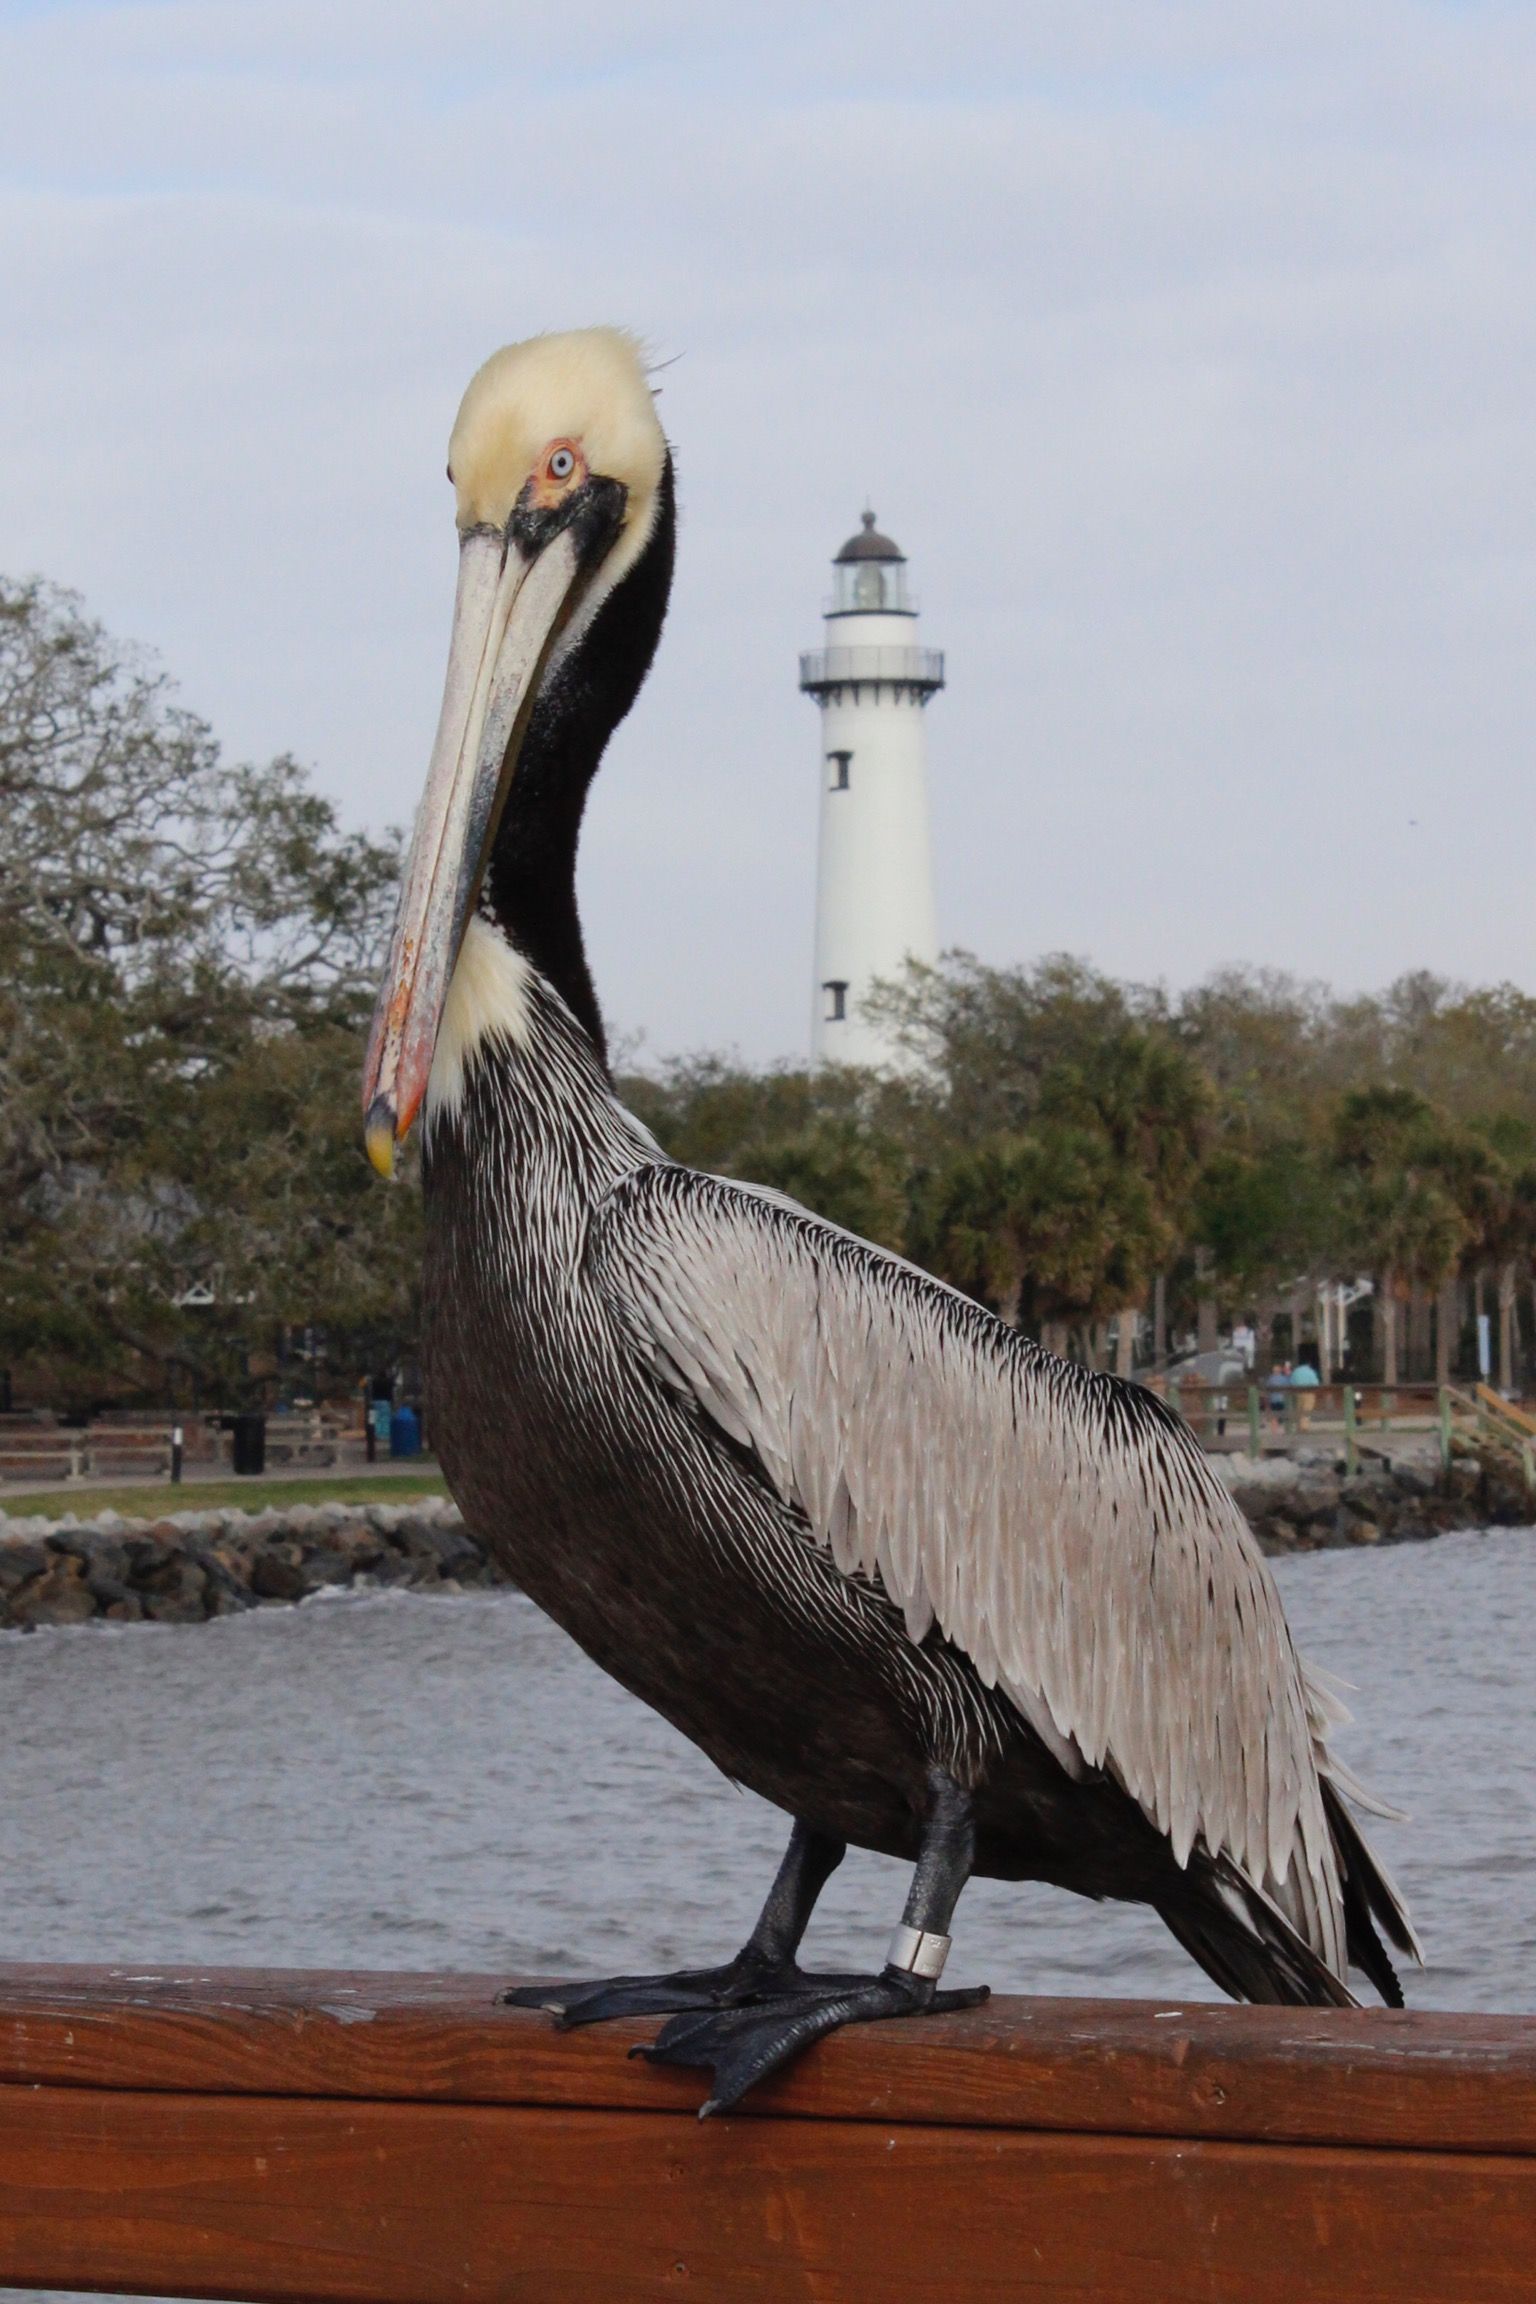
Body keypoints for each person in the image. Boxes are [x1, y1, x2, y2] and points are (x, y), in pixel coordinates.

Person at [1290, 1357, 1320, 1431]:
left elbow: (1291, 1382)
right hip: (1309, 1392)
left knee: (1299, 1409)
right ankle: (1304, 1427)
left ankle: (1298, 1426)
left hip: (1297, 1392)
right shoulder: (1311, 1371)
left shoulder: (1295, 1371)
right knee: (1307, 1409)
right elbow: (1315, 1383)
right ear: (1308, 1364)